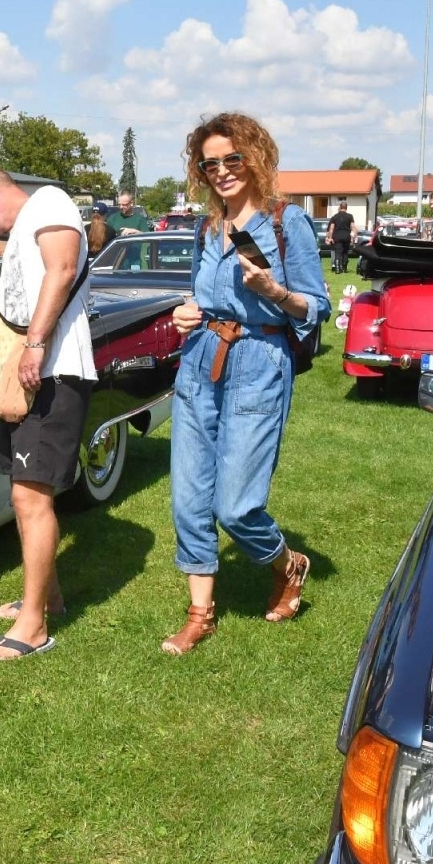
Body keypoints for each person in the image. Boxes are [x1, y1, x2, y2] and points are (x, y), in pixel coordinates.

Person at [163, 112, 331, 655]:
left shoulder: (287, 222)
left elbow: (317, 304)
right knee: (189, 494)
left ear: (254, 158)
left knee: (235, 506)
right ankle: (200, 612)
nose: (221, 171)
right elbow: (199, 292)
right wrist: (187, 314)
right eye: (210, 163)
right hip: (200, 357)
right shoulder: (206, 227)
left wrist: (274, 291)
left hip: (259, 360)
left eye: (232, 159)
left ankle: (289, 564)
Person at [0, 165, 94, 660]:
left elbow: (62, 267)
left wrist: (35, 345)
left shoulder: (50, 202)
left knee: (31, 500)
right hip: (33, 375)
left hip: (53, 373)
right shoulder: (28, 221)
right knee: (24, 495)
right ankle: (46, 598)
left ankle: (33, 627)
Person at [327, 198, 354, 274]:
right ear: (346, 208)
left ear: (340, 207)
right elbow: (352, 227)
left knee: (338, 253)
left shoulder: (335, 216)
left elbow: (331, 228)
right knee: (345, 252)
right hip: (346, 237)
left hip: (337, 237)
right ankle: (344, 269)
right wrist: (353, 237)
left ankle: (338, 269)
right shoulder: (350, 216)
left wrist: (330, 237)